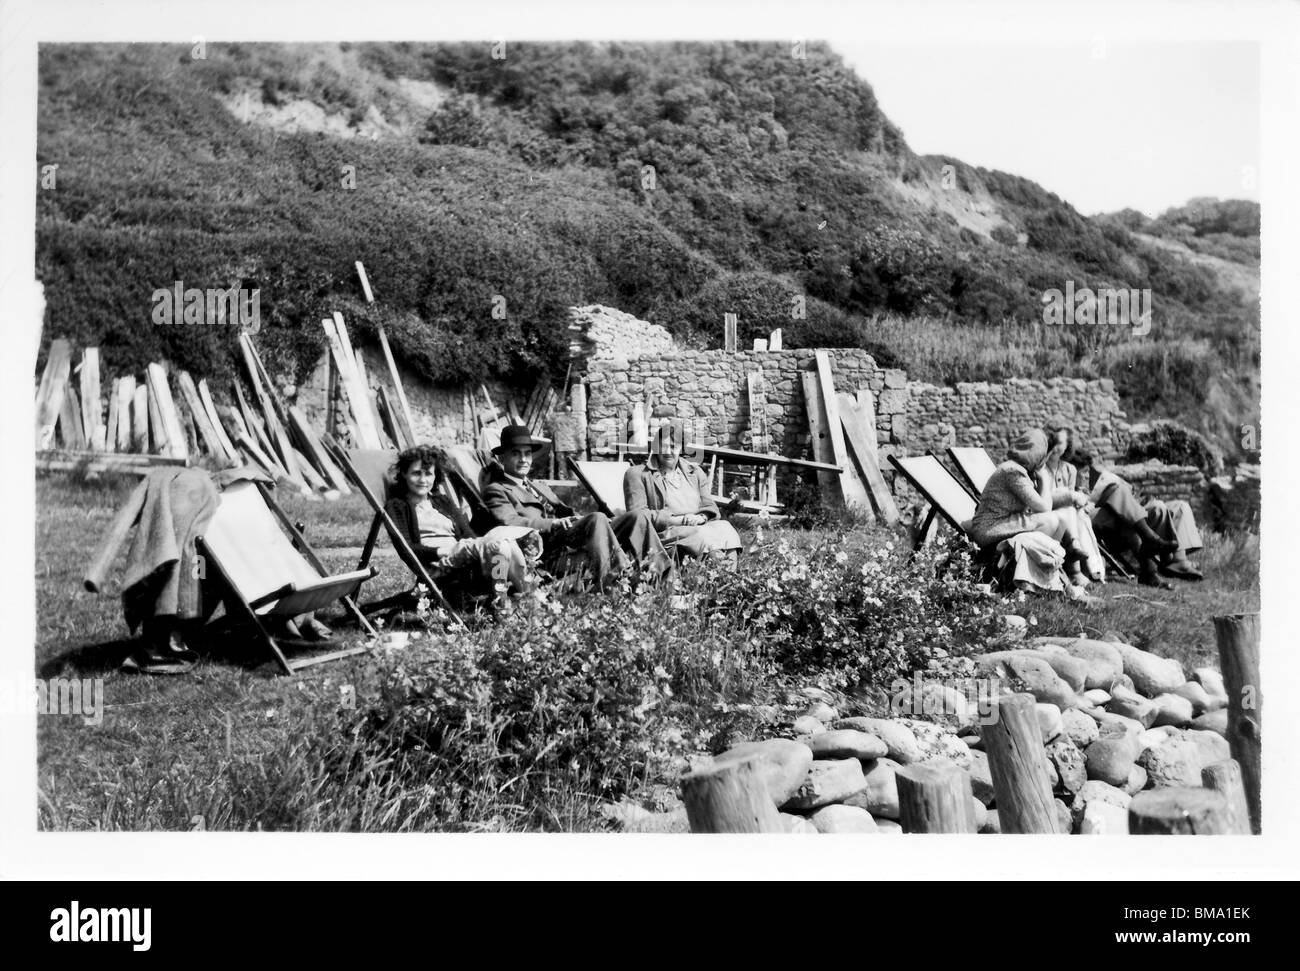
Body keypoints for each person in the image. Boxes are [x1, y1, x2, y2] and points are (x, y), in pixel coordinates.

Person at [482, 425, 672, 589]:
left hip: (568, 534)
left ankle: (665, 581)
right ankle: (617, 581)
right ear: (502, 458)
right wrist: (553, 523)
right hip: (545, 546)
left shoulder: (538, 486)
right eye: (516, 453)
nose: (523, 459)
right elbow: (511, 523)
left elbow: (566, 511)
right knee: (596, 518)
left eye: (527, 453)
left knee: (636, 516)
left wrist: (585, 519)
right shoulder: (497, 490)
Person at [383, 444, 535, 600]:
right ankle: (519, 597)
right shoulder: (397, 506)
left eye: (428, 474)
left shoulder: (442, 501)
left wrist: (479, 545)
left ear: (435, 476)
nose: (423, 480)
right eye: (416, 473)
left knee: (503, 544)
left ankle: (515, 597)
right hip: (438, 564)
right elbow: (405, 548)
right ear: (403, 474)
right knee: (498, 542)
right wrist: (439, 551)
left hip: (461, 554)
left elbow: (467, 533)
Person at [968, 428, 1094, 589]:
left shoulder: (1020, 470)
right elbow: (1044, 506)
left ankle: (1050, 570)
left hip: (1003, 522)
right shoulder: (1013, 471)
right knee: (1050, 520)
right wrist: (1044, 478)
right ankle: (1043, 571)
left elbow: (1041, 505)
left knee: (1059, 520)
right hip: (991, 528)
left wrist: (1040, 479)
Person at [1066, 447, 1204, 587]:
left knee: (1157, 506)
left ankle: (1168, 560)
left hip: (1116, 518)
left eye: (1086, 471)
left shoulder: (1092, 482)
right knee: (1117, 493)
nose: (1085, 476)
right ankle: (1152, 546)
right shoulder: (1066, 483)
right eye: (1081, 472)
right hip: (1094, 525)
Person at [623, 420, 743, 564]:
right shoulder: (638, 474)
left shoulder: (695, 472)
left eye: (673, 447)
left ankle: (730, 574)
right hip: (665, 532)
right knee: (702, 534)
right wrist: (681, 520)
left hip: (697, 525)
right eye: (663, 447)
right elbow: (638, 516)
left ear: (681, 448)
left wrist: (702, 518)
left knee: (725, 527)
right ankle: (718, 573)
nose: (668, 452)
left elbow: (709, 505)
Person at [1042, 424, 1107, 583]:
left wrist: (1075, 499)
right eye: (1053, 442)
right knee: (1073, 510)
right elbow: (1043, 501)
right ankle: (1082, 570)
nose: (1056, 448)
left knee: (1077, 513)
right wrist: (1070, 496)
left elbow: (1074, 502)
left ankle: (1080, 561)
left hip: (1068, 518)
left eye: (1061, 444)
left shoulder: (1070, 469)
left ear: (1068, 446)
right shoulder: (1039, 467)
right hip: (1047, 515)